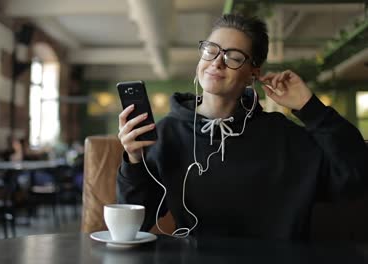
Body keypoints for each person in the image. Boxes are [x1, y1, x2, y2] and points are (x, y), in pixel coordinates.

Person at [116, 13, 368, 241]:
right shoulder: (166, 134)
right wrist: (134, 160)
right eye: (210, 50)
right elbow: (136, 225)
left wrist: (309, 106)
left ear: (253, 74)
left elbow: (356, 176)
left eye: (234, 57)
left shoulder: (284, 137)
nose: (217, 62)